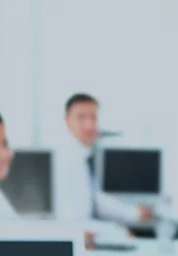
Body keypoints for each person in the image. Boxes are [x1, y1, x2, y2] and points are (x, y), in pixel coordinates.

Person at [55, 93, 153, 238]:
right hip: (78, 236)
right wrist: (119, 232)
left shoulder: (81, 157)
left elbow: (95, 199)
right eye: (81, 118)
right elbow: (76, 221)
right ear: (67, 120)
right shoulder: (66, 161)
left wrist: (133, 213)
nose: (89, 125)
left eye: (93, 118)